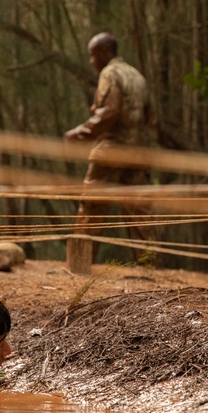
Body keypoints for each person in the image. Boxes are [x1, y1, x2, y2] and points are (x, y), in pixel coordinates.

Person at [64, 32, 153, 272]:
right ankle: (147, 265)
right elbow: (149, 116)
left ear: (104, 53)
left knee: (92, 204)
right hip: (138, 151)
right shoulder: (137, 76)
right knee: (138, 208)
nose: (92, 62)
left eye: (93, 56)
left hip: (112, 148)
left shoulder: (110, 73)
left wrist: (81, 132)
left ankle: (78, 264)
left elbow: (110, 111)